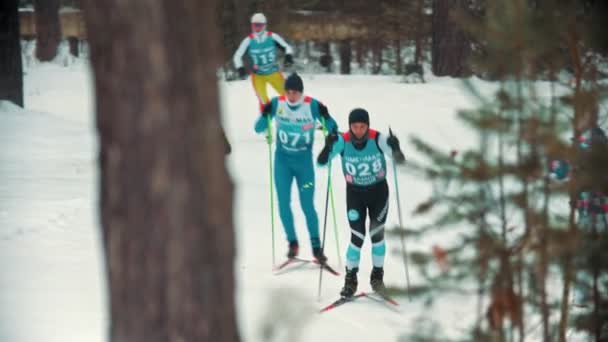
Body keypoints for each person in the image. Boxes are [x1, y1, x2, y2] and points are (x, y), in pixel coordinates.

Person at [317, 108, 405, 297]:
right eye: (354, 126)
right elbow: (321, 163)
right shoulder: (342, 140)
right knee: (357, 236)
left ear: (368, 125)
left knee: (376, 235)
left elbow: (400, 161)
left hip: (378, 193)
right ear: (349, 126)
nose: (358, 130)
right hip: (355, 194)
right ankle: (351, 279)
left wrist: (396, 147)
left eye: (362, 126)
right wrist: (327, 147)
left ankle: (377, 278)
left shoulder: (378, 138)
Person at [254, 73, 338, 262]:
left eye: (295, 92)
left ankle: (316, 247)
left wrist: (326, 116)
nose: (291, 96)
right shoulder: (277, 104)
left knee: (307, 205)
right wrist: (265, 113)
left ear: (301, 92)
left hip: (304, 165)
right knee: (283, 204)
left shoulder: (312, 105)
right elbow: (258, 128)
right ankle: (292, 243)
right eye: (288, 92)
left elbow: (333, 127)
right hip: (282, 163)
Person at [233, 12, 294, 111]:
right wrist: (240, 69)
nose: (256, 28)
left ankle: (297, 117)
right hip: (258, 76)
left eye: (259, 25)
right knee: (264, 102)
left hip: (273, 73)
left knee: (289, 95)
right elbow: (237, 56)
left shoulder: (272, 37)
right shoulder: (248, 40)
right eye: (254, 25)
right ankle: (266, 124)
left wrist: (288, 57)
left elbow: (287, 47)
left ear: (264, 26)